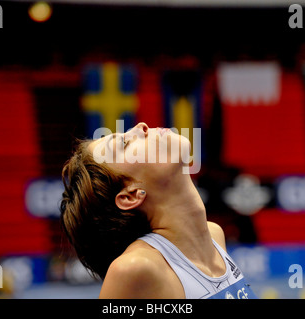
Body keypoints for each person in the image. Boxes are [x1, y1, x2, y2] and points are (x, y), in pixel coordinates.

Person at [60, 122, 257, 299]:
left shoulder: (214, 236)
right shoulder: (134, 269)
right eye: (125, 144)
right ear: (131, 195)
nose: (141, 126)